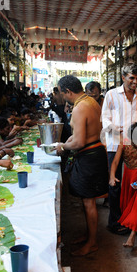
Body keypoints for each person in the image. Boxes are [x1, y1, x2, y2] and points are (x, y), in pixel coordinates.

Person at [55, 75, 108, 256]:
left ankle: (92, 243)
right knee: (88, 200)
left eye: (62, 93)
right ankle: (89, 236)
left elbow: (77, 142)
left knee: (89, 201)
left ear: (68, 91)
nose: (62, 97)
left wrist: (62, 146)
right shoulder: (91, 102)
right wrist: (65, 143)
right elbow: (80, 134)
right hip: (95, 152)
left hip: (90, 156)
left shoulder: (79, 109)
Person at [101, 64, 137, 235]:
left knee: (134, 183)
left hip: (135, 147)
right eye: (131, 78)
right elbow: (104, 119)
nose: (135, 81)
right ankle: (114, 223)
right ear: (123, 77)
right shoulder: (111, 95)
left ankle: (130, 218)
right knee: (115, 183)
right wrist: (116, 128)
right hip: (115, 143)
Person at [109, 122, 137, 248]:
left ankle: (132, 236)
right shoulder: (123, 143)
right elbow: (115, 162)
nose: (136, 143)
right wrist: (112, 176)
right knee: (132, 204)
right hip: (130, 177)